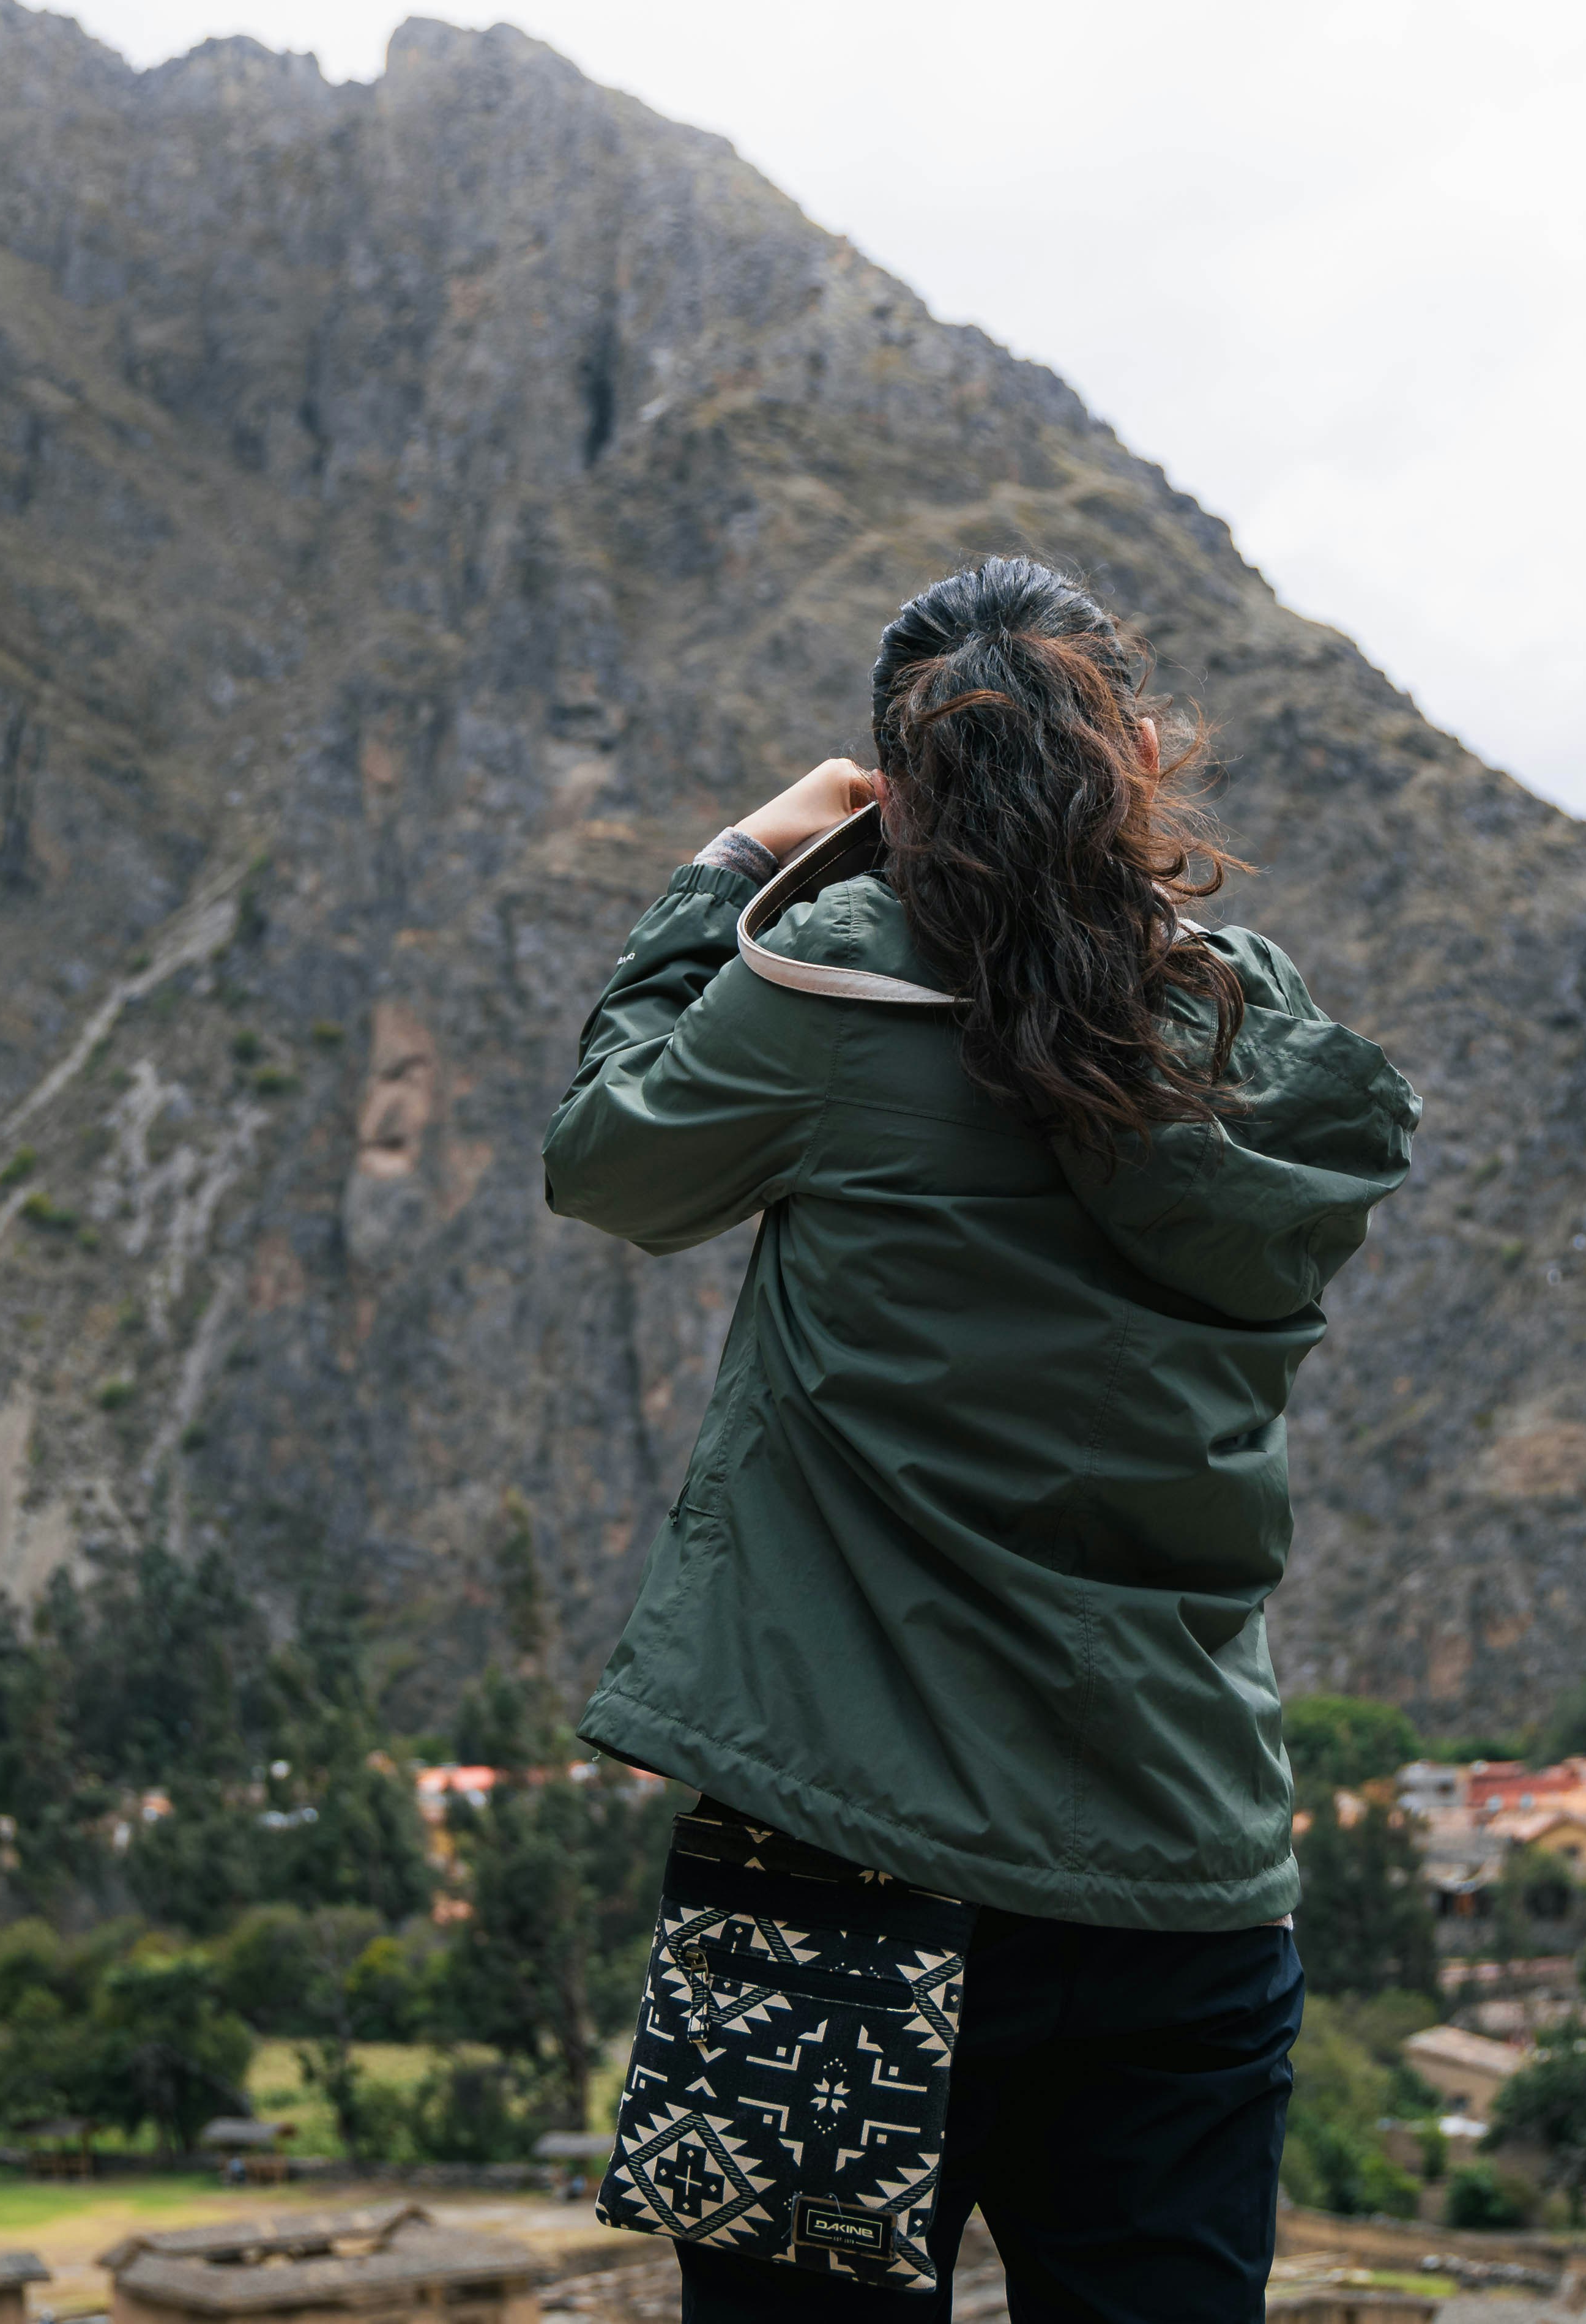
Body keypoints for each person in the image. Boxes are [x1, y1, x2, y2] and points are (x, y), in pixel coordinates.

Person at [543, 559, 1416, 2319]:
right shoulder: (1242, 1033)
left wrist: (733, 871)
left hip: (828, 1859)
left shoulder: (831, 988)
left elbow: (607, 1159)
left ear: (892, 788)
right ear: (1142, 760)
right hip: (1178, 1872)